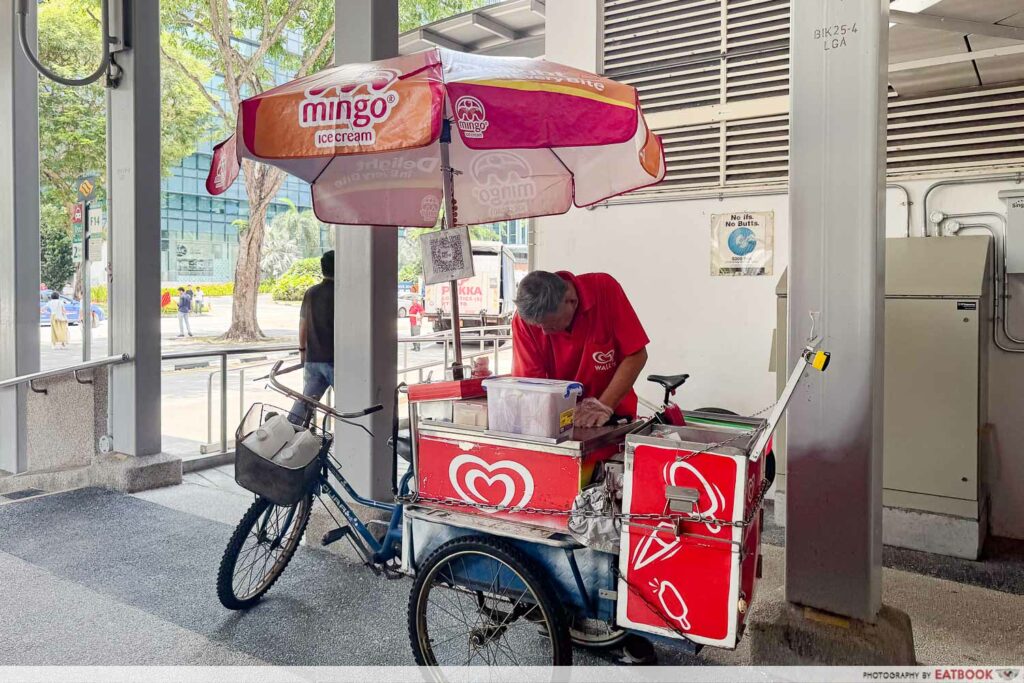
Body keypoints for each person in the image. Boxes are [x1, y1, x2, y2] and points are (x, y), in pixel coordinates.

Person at [512, 270, 649, 428]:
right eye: (538, 326)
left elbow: (636, 355)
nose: (544, 332)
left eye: (551, 325)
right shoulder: (524, 321)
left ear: (572, 301)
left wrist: (603, 406)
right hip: (563, 421)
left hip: (614, 416)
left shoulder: (604, 289)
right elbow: (531, 387)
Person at [289, 250, 335, 425]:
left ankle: (287, 437)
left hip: (313, 359)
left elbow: (303, 325)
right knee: (348, 406)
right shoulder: (343, 293)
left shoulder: (311, 293)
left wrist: (302, 351)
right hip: (336, 360)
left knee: (304, 405)